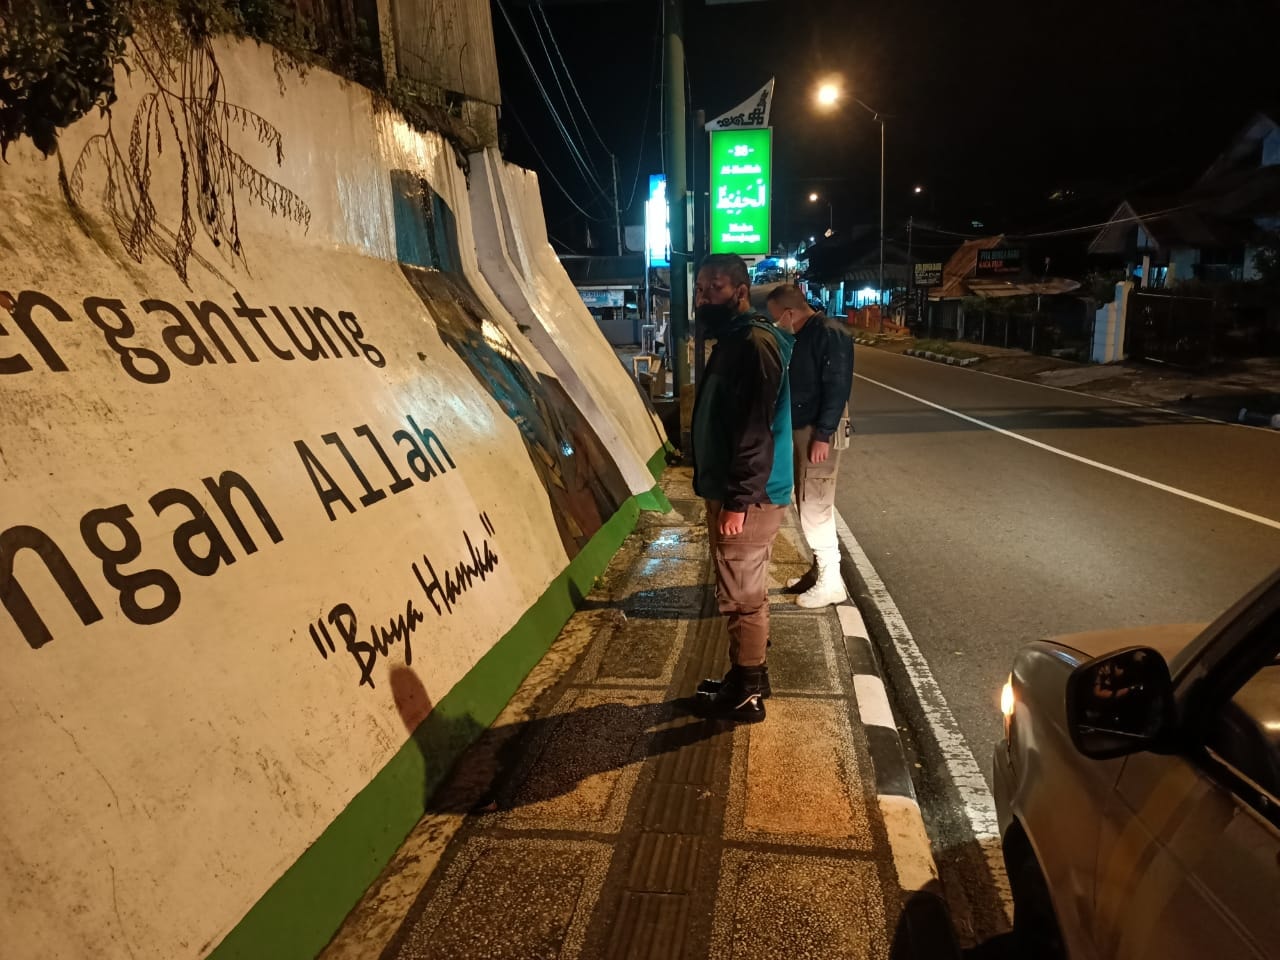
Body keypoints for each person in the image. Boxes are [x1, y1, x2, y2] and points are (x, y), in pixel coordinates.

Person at [691, 254, 794, 723]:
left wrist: (737, 502)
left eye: (714, 287)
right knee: (744, 588)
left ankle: (747, 692)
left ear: (739, 289)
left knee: (742, 595)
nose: (704, 295)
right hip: (745, 491)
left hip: (749, 496)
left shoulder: (752, 343)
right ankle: (747, 675)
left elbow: (756, 429)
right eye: (700, 287)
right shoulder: (735, 339)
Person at [765, 283, 854, 607]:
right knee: (807, 500)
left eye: (777, 317)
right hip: (805, 426)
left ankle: (831, 581)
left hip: (818, 428)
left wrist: (822, 434)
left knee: (816, 503)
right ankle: (820, 573)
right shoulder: (805, 334)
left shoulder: (829, 333)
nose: (777, 323)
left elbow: (837, 385)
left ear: (789, 312)